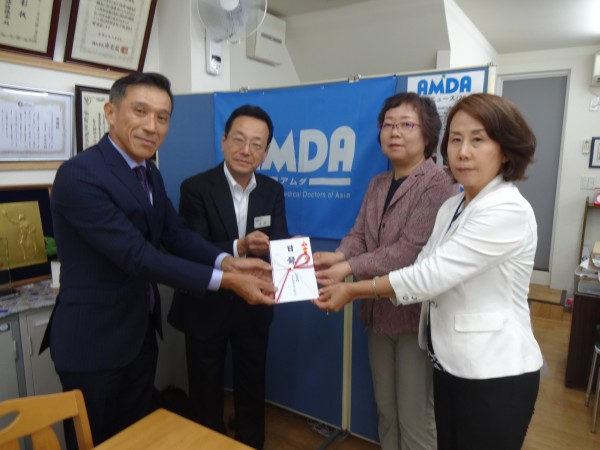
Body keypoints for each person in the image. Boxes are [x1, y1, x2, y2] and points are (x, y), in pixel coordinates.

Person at [40, 73, 276, 449]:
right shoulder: (79, 175)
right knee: (95, 442)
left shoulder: (149, 171)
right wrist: (228, 281)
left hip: (138, 336)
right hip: (93, 342)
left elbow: (176, 233)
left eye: (162, 117)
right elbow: (138, 256)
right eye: (141, 111)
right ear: (111, 112)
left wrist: (227, 262)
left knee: (138, 438)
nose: (152, 126)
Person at [315, 93, 543, 450]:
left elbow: (425, 272)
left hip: (495, 367)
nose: (463, 152)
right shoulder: (454, 205)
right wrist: (339, 259)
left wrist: (351, 285)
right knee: (400, 418)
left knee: (418, 425)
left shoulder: (506, 210)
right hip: (449, 358)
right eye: (456, 140)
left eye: (478, 140)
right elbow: (417, 261)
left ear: (505, 149)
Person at [314, 92, 455, 450]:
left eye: (406, 124)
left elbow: (407, 252)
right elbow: (360, 234)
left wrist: (347, 268)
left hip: (413, 320)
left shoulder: (439, 183)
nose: (395, 132)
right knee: (386, 412)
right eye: (388, 125)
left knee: (415, 418)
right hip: (376, 315)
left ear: (427, 133)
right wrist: (337, 256)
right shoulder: (378, 183)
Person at [168, 104, 289, 449]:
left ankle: (251, 443)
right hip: (207, 305)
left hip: (254, 305)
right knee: (205, 388)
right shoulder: (195, 188)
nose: (245, 150)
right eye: (238, 139)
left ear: (265, 152)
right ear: (223, 141)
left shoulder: (272, 190)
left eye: (256, 144)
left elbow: (280, 242)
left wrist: (293, 258)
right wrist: (240, 246)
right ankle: (209, 444)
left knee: (252, 384)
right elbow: (192, 248)